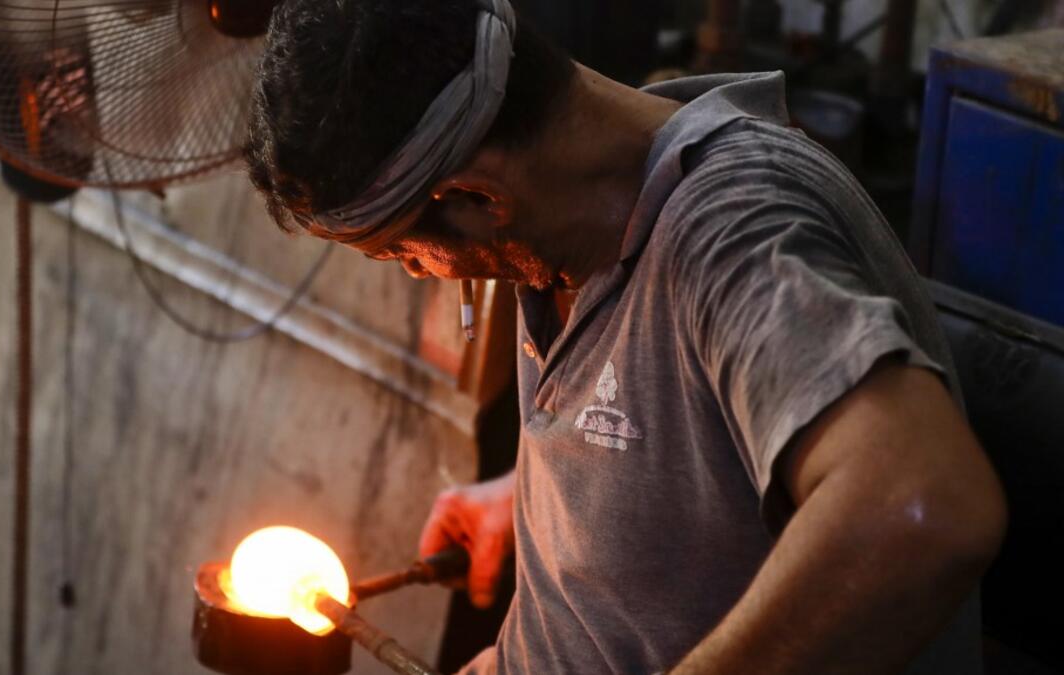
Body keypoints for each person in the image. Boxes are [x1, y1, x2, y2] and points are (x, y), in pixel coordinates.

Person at [244, 0, 1008, 673]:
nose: (419, 273)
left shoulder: (731, 234)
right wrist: (534, 500)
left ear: (477, 193)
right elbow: (699, 427)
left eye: (403, 253)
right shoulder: (564, 226)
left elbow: (920, 507)